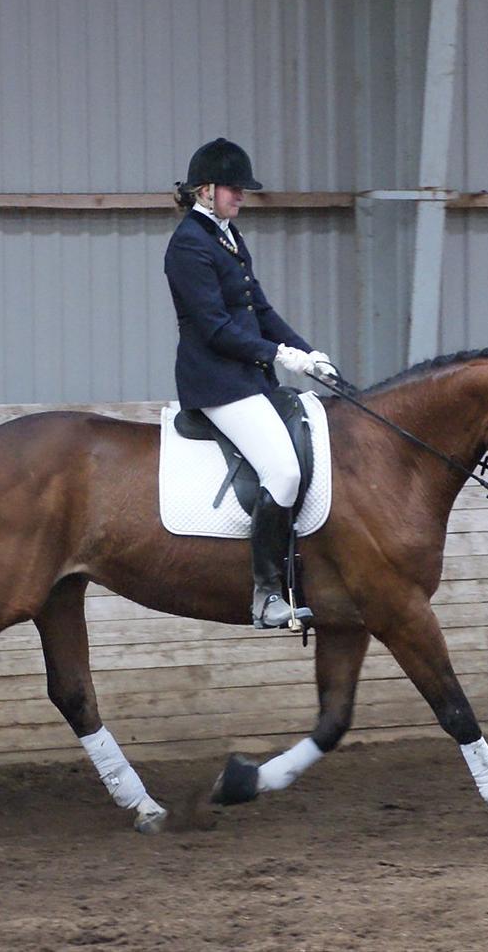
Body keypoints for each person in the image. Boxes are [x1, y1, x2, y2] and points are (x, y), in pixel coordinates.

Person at [165, 137, 337, 629]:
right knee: (282, 472)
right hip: (216, 383)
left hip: (247, 377)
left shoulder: (228, 238)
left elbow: (259, 310)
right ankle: (265, 594)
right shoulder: (188, 246)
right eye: (233, 189)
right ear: (205, 191)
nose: (241, 197)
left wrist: (307, 353)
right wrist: (278, 356)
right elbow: (216, 327)